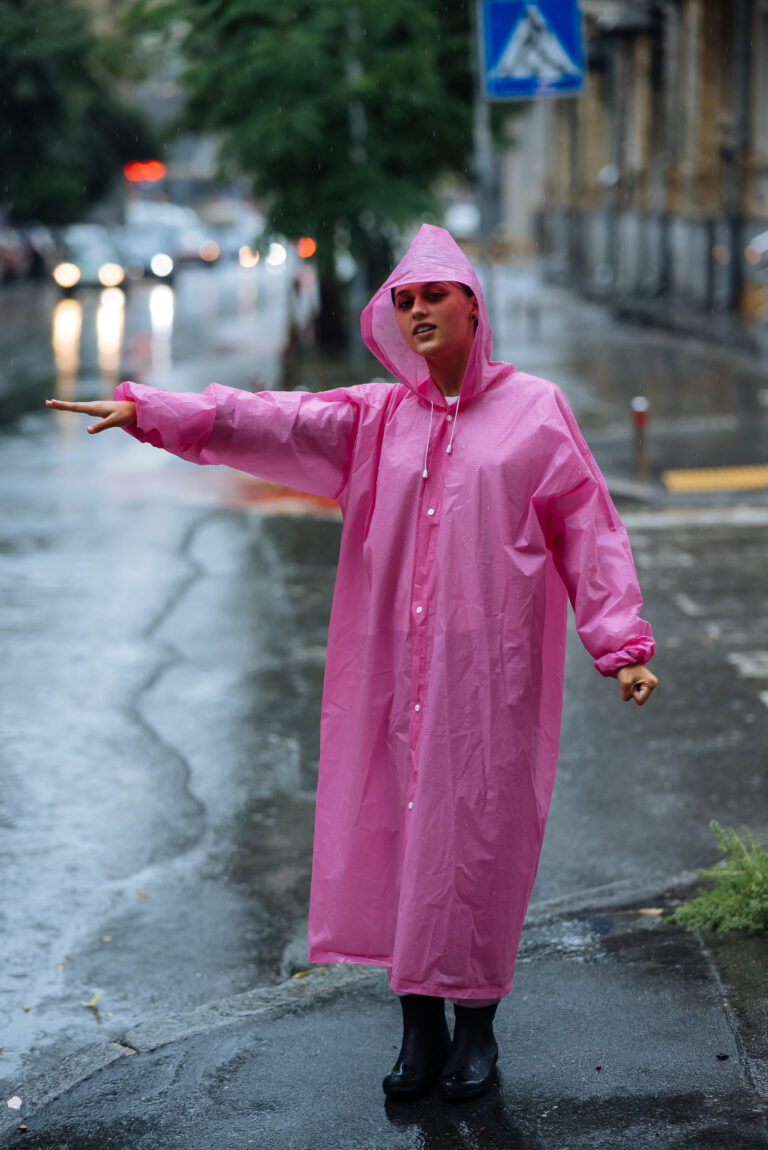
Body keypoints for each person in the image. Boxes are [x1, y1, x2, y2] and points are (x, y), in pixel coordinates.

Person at [46, 224, 657, 1102]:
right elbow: (270, 419)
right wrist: (153, 411)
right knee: (397, 842)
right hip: (387, 677)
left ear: (472, 306)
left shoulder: (536, 412)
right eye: (403, 300)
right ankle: (417, 1030)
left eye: (432, 296)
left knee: (477, 845)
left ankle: (476, 1030)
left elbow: (589, 530)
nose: (416, 313)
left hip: (492, 679)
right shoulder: (377, 419)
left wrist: (621, 644)